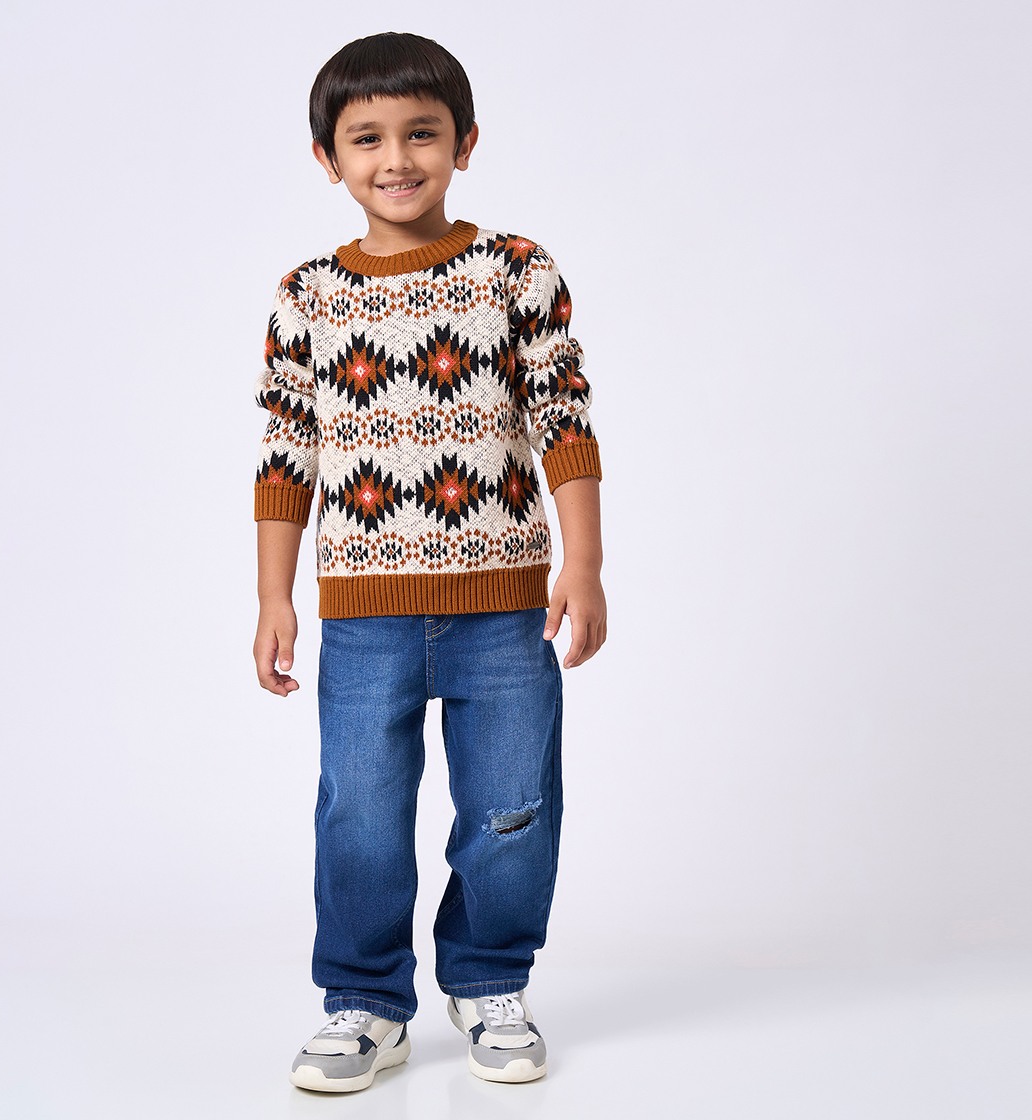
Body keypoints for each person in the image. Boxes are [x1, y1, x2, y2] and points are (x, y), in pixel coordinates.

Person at [251, 31, 606, 1092]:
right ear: (329, 157)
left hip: (506, 609)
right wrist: (273, 595)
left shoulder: (515, 271)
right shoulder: (309, 297)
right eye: (366, 138)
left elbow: (562, 419)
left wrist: (583, 563)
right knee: (359, 810)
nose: (396, 158)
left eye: (421, 133)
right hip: (364, 615)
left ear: (465, 143)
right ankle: (364, 1001)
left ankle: (490, 979)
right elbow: (286, 451)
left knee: (511, 807)